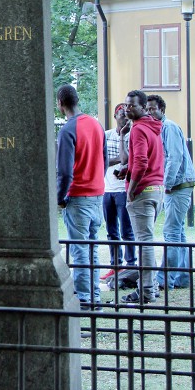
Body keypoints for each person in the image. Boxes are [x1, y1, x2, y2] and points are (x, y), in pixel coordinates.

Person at [56, 84, 107, 310]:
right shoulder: (96, 125)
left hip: (78, 197)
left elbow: (65, 172)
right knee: (92, 249)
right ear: (77, 100)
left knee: (79, 251)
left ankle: (85, 298)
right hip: (97, 196)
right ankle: (93, 296)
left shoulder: (68, 130)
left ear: (60, 103)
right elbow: (104, 159)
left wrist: (60, 197)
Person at [146, 95, 195, 290]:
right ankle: (182, 277)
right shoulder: (159, 129)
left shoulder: (169, 128)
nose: (150, 112)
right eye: (148, 109)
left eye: (153, 109)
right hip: (177, 185)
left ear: (162, 110)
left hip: (178, 185)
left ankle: (165, 279)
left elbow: (174, 158)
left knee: (171, 233)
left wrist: (165, 185)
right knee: (179, 232)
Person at [121, 90, 165, 305]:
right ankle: (152, 287)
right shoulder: (152, 126)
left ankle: (146, 291)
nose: (127, 109)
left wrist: (131, 189)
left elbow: (141, 162)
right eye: (126, 105)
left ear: (142, 107)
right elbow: (144, 159)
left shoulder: (139, 129)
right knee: (146, 241)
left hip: (143, 192)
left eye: (132, 106)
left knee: (144, 243)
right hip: (156, 190)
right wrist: (127, 171)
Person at [102, 103, 137, 278]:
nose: (124, 118)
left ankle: (131, 265)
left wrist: (114, 159)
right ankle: (116, 266)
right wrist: (117, 160)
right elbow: (101, 160)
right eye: (121, 114)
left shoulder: (132, 135)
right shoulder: (106, 135)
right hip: (107, 189)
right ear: (115, 116)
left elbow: (129, 159)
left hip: (123, 189)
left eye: (127, 115)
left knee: (127, 230)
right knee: (111, 231)